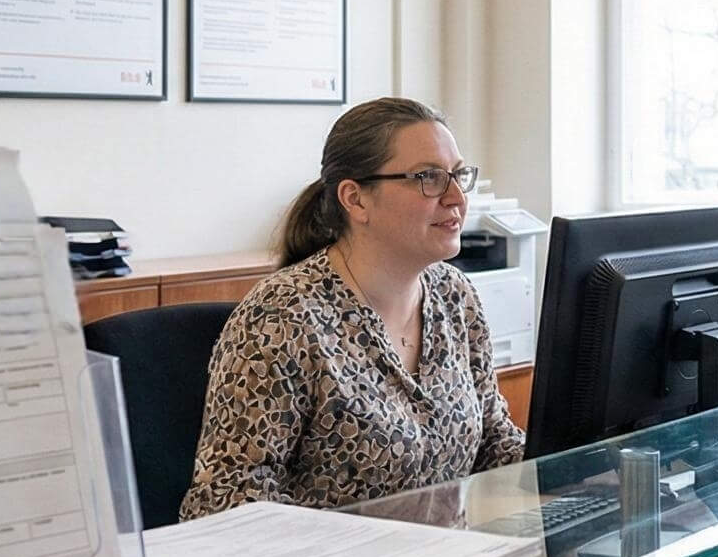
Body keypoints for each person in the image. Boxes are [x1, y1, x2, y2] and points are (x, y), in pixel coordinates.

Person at [178, 98, 525, 519]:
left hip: (446, 556)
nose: (456, 198)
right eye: (428, 178)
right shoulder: (282, 316)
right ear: (355, 199)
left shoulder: (455, 295)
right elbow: (226, 500)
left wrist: (581, 462)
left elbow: (493, 442)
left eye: (458, 175)